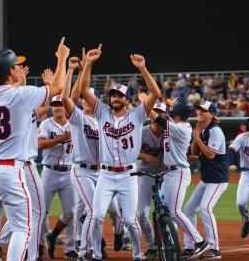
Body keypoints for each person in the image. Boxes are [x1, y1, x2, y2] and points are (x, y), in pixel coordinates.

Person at [0, 37, 69, 261]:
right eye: (15, 65)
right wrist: (61, 58)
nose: (18, 68)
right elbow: (58, 88)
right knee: (23, 228)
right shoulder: (20, 95)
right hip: (9, 170)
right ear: (10, 71)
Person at [80, 46, 161, 261]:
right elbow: (84, 89)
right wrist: (88, 63)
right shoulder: (102, 112)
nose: (115, 97)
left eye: (119, 95)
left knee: (130, 221)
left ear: (127, 100)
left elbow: (155, 94)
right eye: (112, 94)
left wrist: (143, 69)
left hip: (128, 175)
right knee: (96, 217)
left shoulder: (137, 115)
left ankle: (137, 255)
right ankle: (96, 255)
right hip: (105, 175)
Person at [61, 51, 123, 261]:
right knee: (92, 209)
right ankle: (84, 251)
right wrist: (76, 69)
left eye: (92, 98)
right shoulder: (77, 118)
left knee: (115, 211)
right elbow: (65, 98)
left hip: (103, 172)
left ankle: (118, 231)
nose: (87, 101)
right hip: (82, 171)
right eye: (85, 98)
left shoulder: (105, 120)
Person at [0, 68, 53, 261]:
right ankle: (32, 255)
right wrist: (48, 86)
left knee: (25, 210)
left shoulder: (23, 107)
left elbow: (42, 108)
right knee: (38, 211)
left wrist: (28, 84)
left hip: (14, 164)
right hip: (23, 164)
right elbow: (18, 97)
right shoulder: (14, 104)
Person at [144, 96, 210, 260]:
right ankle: (170, 246)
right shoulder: (177, 125)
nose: (170, 108)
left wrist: (147, 103)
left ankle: (200, 242)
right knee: (164, 211)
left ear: (177, 111)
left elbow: (158, 120)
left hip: (179, 173)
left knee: (174, 211)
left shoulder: (182, 128)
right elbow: (163, 120)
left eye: (173, 107)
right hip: (170, 173)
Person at [183, 101, 228, 259]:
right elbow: (195, 151)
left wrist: (196, 136)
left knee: (206, 207)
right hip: (207, 178)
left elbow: (210, 155)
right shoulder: (203, 130)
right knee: (188, 209)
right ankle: (190, 247)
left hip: (218, 179)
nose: (199, 112)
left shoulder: (215, 131)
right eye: (199, 110)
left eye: (203, 110)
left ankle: (215, 249)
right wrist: (197, 136)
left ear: (212, 114)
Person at [38, 94, 78, 259]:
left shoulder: (75, 123)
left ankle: (67, 245)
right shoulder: (46, 124)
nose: (58, 107)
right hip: (49, 172)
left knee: (71, 212)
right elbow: (39, 144)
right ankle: (39, 246)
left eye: (61, 104)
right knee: (40, 212)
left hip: (69, 172)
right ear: (51, 108)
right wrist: (60, 139)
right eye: (55, 104)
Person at [135, 99, 172, 260]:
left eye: (161, 114)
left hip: (166, 175)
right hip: (145, 174)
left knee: (170, 210)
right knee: (141, 213)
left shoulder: (170, 132)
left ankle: (171, 242)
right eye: (155, 113)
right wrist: (143, 155)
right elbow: (128, 151)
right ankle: (152, 246)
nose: (157, 116)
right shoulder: (141, 131)